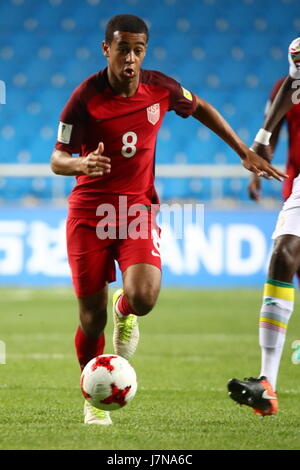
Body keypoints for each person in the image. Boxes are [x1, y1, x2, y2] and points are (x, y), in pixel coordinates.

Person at [50, 14, 285, 426]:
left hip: (137, 210)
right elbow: (56, 158)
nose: (131, 57)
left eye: (138, 49)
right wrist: (80, 164)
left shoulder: (161, 87)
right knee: (90, 318)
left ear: (145, 51)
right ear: (107, 49)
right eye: (123, 48)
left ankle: (126, 311)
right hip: (89, 214)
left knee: (143, 298)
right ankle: (93, 398)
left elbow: (202, 108)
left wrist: (241, 150)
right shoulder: (84, 97)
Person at [228, 37, 300, 417]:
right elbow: (291, 84)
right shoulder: (291, 74)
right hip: (299, 180)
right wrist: (263, 137)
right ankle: (267, 383)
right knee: (283, 257)